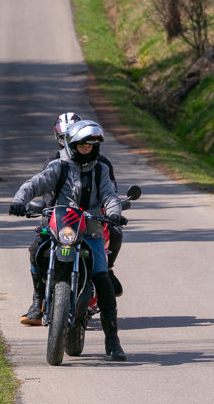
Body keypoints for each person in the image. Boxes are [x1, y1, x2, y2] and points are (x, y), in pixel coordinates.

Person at [9, 120, 128, 361]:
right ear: (72, 145)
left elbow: (109, 194)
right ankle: (39, 299)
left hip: (91, 228)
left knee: (102, 278)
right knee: (35, 251)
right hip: (59, 226)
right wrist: (19, 201)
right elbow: (35, 184)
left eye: (91, 146)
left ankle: (112, 340)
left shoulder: (100, 170)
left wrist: (114, 211)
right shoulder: (58, 167)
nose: (87, 149)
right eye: (82, 146)